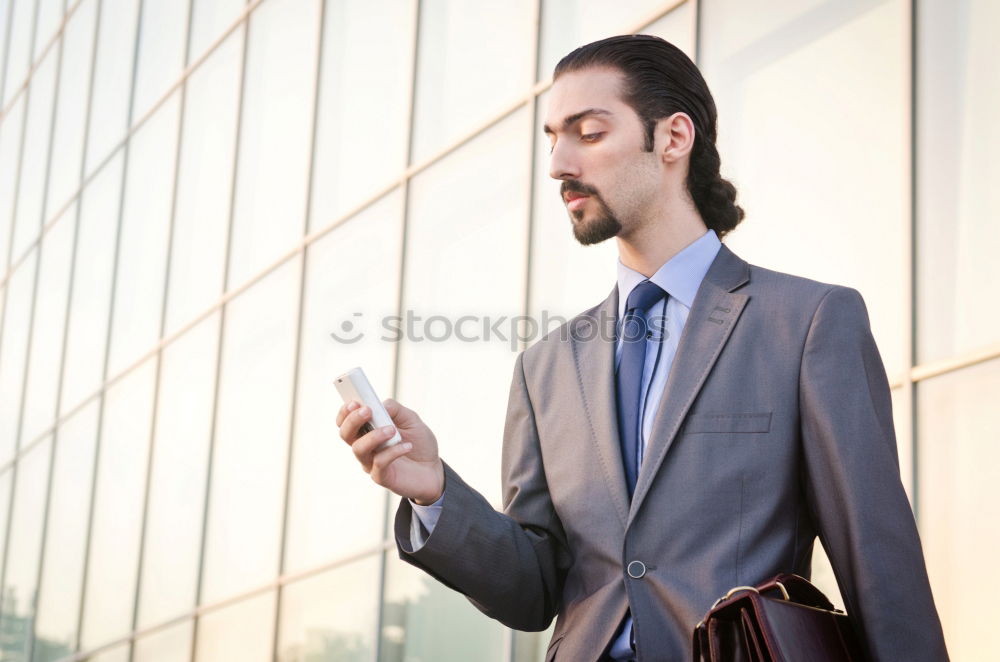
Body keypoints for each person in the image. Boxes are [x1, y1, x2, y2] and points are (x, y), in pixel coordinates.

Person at [338, 35, 948, 661]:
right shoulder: (544, 368)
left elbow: (879, 565)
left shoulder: (809, 323)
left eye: (589, 133)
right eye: (553, 138)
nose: (558, 164)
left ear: (674, 139)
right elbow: (534, 592)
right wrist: (434, 492)